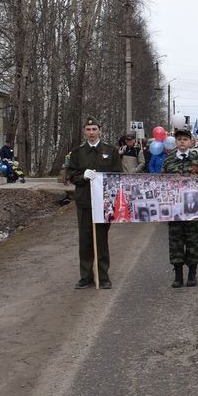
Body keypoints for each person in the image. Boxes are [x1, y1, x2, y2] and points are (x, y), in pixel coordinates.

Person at [65, 117, 122, 289]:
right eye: (88, 129)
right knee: (85, 240)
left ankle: (103, 276)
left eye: (94, 129)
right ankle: (86, 276)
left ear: (100, 130)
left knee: (101, 239)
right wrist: (82, 176)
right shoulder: (77, 153)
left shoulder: (110, 151)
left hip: (104, 202)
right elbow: (70, 175)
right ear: (84, 131)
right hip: (84, 202)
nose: (91, 133)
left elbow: (117, 175)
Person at [163, 128, 198, 288]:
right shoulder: (169, 161)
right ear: (176, 142)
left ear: (190, 142)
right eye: (179, 139)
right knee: (176, 242)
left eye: (185, 139)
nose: (182, 142)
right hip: (174, 209)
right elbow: (162, 185)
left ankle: (192, 275)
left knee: (193, 242)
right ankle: (178, 275)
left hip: (193, 207)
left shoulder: (197, 160)